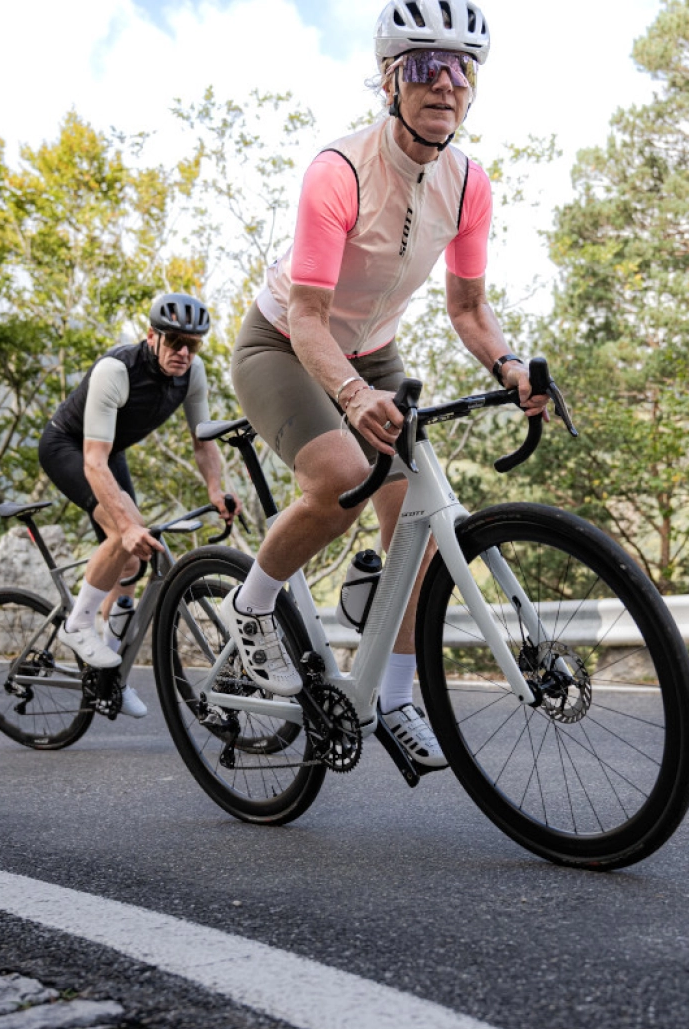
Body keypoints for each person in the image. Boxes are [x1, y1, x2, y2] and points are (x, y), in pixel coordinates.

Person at [218, 0, 548, 768]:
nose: (447, 85)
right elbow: (307, 317)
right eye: (428, 67)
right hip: (283, 343)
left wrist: (508, 366)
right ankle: (251, 603)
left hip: (376, 352)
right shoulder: (339, 172)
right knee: (341, 480)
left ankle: (395, 698)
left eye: (463, 70)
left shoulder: (467, 186)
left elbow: (468, 308)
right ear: (391, 78)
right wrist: (351, 396)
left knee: (417, 518)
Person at [39, 292, 237, 718]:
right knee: (123, 531)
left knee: (135, 558)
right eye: (175, 341)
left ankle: (109, 678)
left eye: (193, 344)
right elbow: (93, 461)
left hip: (109, 451)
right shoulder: (116, 370)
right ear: (152, 336)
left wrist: (215, 489)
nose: (184, 352)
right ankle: (78, 623)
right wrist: (125, 525)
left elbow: (203, 442)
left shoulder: (193, 373)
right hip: (69, 448)